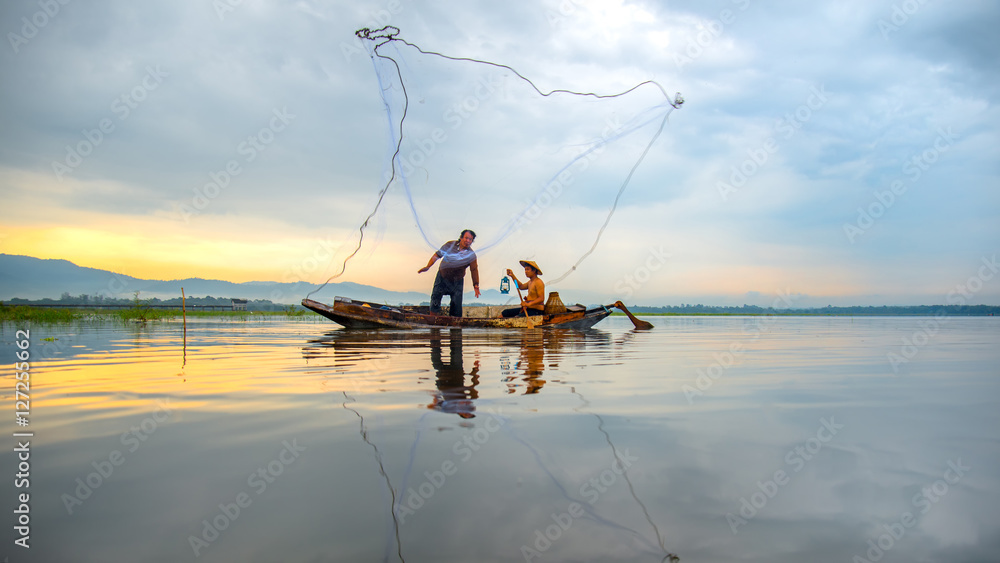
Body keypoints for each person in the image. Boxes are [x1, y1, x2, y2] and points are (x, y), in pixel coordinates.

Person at [418, 229, 481, 316]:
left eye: (470, 239)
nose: (468, 241)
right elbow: (437, 255)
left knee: (456, 304)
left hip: (457, 280)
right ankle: (433, 321)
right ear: (461, 238)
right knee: (435, 299)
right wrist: (428, 266)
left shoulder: (471, 254)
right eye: (466, 238)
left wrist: (476, 284)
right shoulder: (450, 245)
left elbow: (474, 269)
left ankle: (455, 326)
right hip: (442, 277)